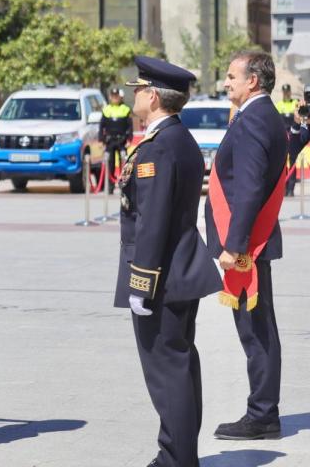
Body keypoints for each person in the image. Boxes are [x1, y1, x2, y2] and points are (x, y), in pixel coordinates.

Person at [114, 57, 222, 467]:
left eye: (137, 89)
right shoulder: (177, 138)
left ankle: (177, 459)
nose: (133, 95)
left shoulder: (160, 147)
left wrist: (141, 285)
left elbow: (153, 221)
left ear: (153, 95)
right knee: (178, 365)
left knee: (167, 372)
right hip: (177, 272)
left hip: (162, 278)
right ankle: (178, 452)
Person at [206, 50, 287, 441]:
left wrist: (234, 245)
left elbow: (250, 187)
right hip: (249, 244)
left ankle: (262, 414)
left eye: (231, 76)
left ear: (252, 80)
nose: (226, 82)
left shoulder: (254, 119)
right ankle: (263, 409)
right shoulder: (260, 115)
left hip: (247, 249)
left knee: (256, 331)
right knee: (257, 328)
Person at [100, 87, 133, 193]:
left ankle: (125, 185)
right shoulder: (106, 109)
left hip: (122, 140)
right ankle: (110, 187)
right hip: (110, 141)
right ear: (110, 97)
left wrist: (129, 139)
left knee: (124, 163)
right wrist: (102, 140)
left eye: (116, 96)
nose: (115, 98)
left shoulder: (125, 109)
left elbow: (130, 126)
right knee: (110, 164)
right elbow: (101, 126)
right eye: (113, 96)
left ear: (119, 97)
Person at [276, 84, 302, 196]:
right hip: (282, 137)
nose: (286, 93)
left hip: (293, 136)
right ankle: (284, 188)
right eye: (284, 91)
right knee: (282, 163)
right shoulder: (279, 105)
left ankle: (291, 189)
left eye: (288, 91)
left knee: (292, 162)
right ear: (282, 92)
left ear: (290, 92)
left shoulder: (294, 103)